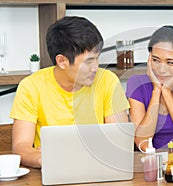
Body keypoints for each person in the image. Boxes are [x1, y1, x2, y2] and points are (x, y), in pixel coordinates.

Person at [10, 16, 129, 168]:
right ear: (61, 61)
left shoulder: (108, 80)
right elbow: (21, 147)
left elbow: (119, 141)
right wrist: (47, 159)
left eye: (97, 59)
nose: (95, 67)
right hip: (52, 171)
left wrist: (62, 154)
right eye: (88, 61)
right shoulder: (31, 86)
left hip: (98, 169)